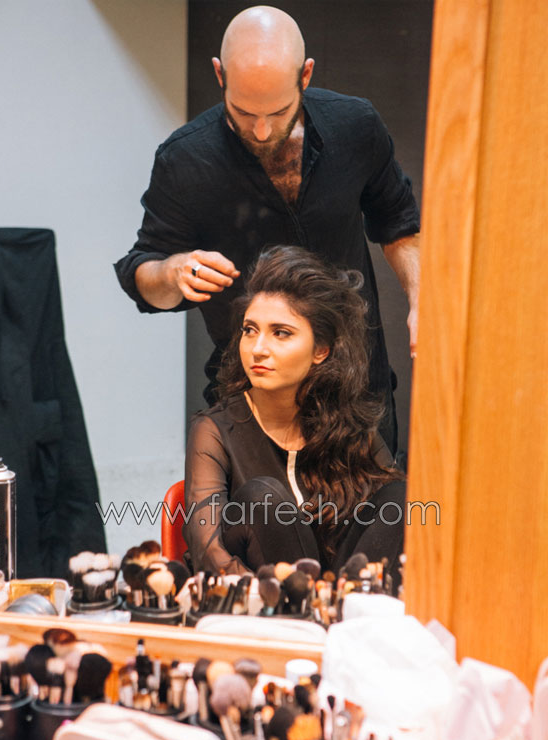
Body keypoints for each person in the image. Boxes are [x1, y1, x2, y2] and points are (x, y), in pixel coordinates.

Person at [114, 5, 420, 454]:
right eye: (242, 112)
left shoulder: (355, 126)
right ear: (219, 75)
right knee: (256, 503)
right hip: (251, 397)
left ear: (305, 76)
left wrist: (422, 298)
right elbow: (143, 276)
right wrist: (172, 272)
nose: (260, 132)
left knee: (377, 500)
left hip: (358, 386)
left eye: (278, 113)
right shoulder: (184, 161)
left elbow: (400, 224)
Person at [183, 246, 406, 590]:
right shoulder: (213, 430)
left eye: (281, 333)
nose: (258, 348)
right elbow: (208, 553)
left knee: (400, 496)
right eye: (250, 330)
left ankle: (348, 611)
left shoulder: (349, 424)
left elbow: (388, 528)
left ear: (321, 350)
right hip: (262, 600)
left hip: (339, 596)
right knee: (262, 498)